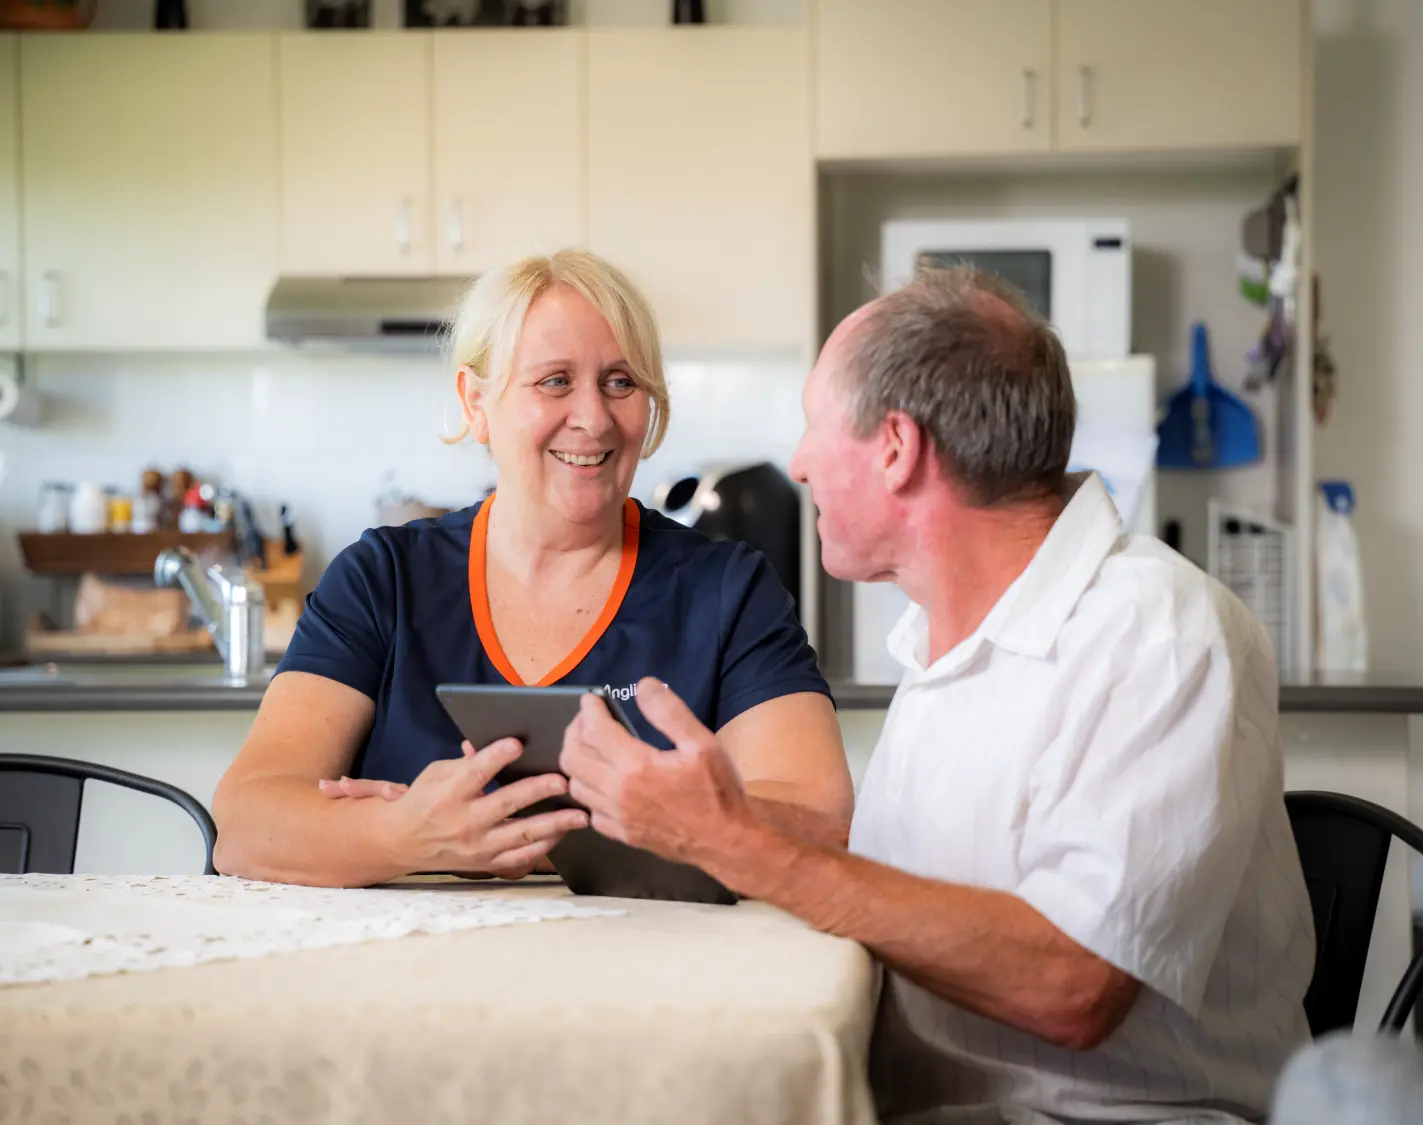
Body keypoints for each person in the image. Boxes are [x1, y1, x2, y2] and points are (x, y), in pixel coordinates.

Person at [560, 265, 1318, 1123]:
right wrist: (685, 813)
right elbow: (915, 876)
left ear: (896, 447)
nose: (800, 464)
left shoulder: (1158, 633)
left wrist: (737, 843)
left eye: (815, 427)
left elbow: (1072, 984)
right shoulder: (943, 636)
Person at [211, 249, 853, 888]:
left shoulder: (728, 590)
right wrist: (407, 834)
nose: (594, 418)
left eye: (620, 382)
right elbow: (246, 824)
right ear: (476, 402)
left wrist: (616, 823)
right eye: (554, 381)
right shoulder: (382, 581)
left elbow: (818, 817)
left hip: (652, 977)